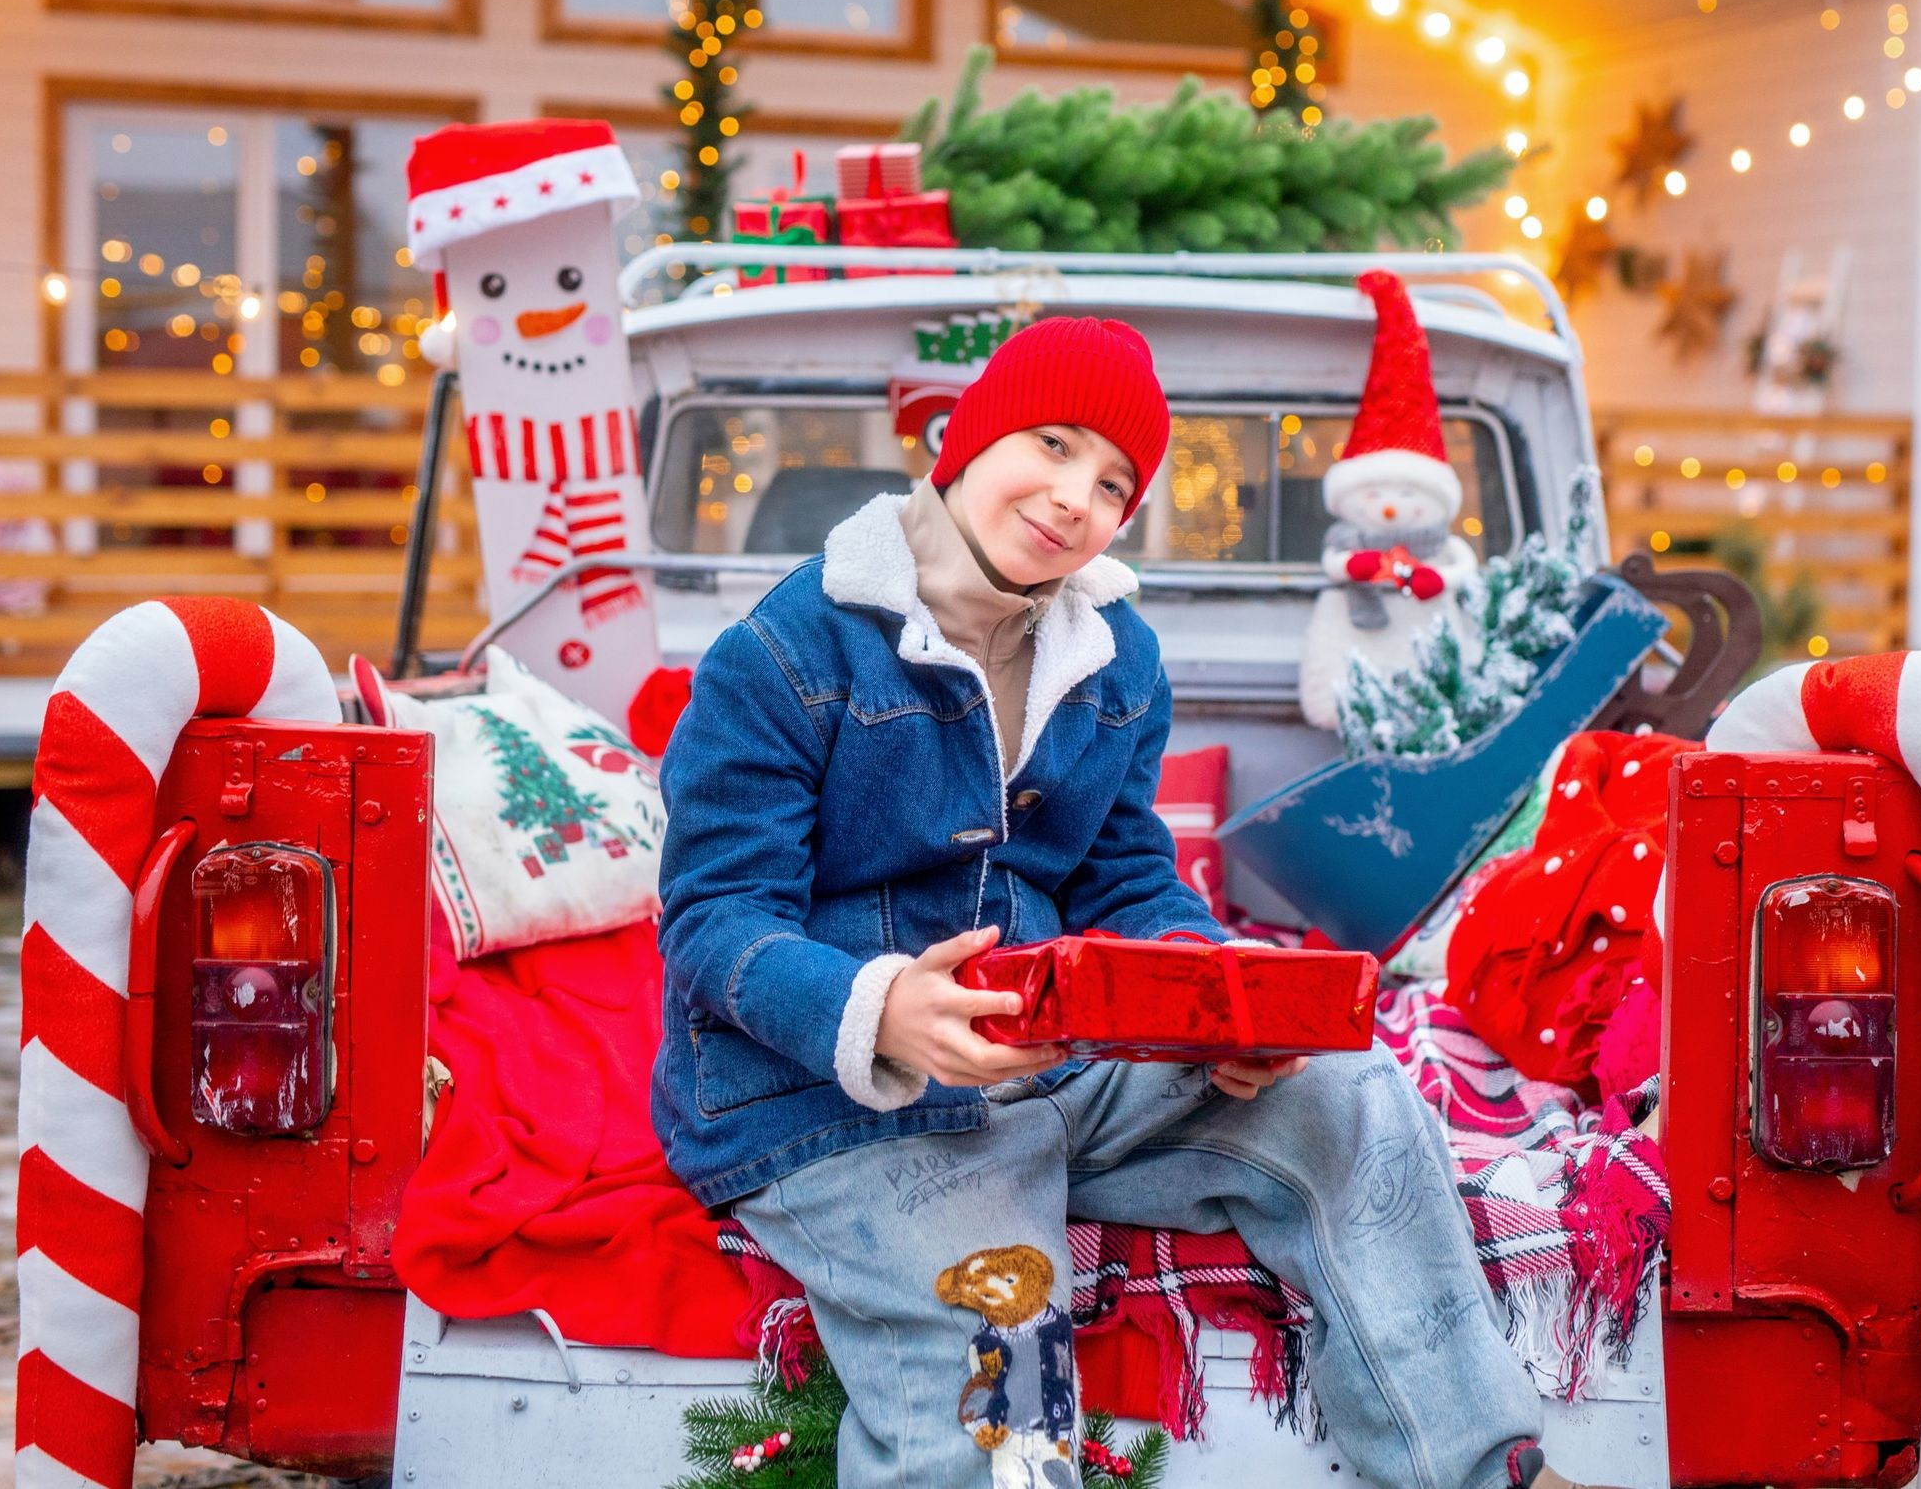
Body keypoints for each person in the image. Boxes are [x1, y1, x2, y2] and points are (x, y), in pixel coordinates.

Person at [654, 316, 1580, 1489]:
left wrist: (1220, 1000)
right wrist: (882, 1011)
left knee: (1350, 1093)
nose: (1071, 498)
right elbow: (712, 922)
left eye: (1111, 482)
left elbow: (1124, 877)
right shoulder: (784, 650)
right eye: (1049, 444)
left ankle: (1486, 1468)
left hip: (1056, 1061)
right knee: (1007, 1331)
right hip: (827, 1100)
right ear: (968, 435)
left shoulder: (1115, 655)